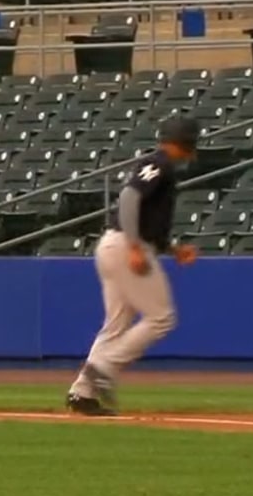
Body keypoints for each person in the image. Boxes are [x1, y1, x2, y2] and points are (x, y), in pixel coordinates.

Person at [66, 115, 200, 417]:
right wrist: (136, 246)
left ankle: (82, 393)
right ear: (187, 143)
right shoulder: (162, 163)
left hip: (113, 244)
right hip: (127, 245)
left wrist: (172, 249)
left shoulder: (159, 163)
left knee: (116, 324)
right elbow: (129, 197)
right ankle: (102, 368)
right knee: (162, 318)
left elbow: (145, 214)